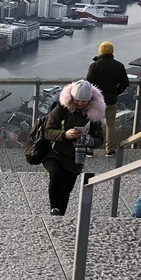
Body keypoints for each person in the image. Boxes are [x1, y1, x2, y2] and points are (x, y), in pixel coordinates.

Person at [42, 79, 105, 216]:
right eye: (77, 100)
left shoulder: (94, 114)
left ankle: (60, 215)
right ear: (71, 97)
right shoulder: (62, 108)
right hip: (55, 152)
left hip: (76, 157)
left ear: (90, 100)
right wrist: (65, 135)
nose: (80, 104)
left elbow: (100, 139)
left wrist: (90, 140)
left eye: (84, 101)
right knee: (56, 174)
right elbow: (47, 131)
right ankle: (54, 209)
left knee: (66, 190)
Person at [85, 41, 129, 156]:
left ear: (100, 51)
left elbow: (88, 84)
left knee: (93, 124)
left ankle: (90, 149)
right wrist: (115, 92)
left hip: (96, 101)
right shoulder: (119, 65)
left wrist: (94, 95)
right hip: (111, 100)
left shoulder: (94, 65)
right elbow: (125, 83)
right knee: (111, 124)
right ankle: (110, 149)